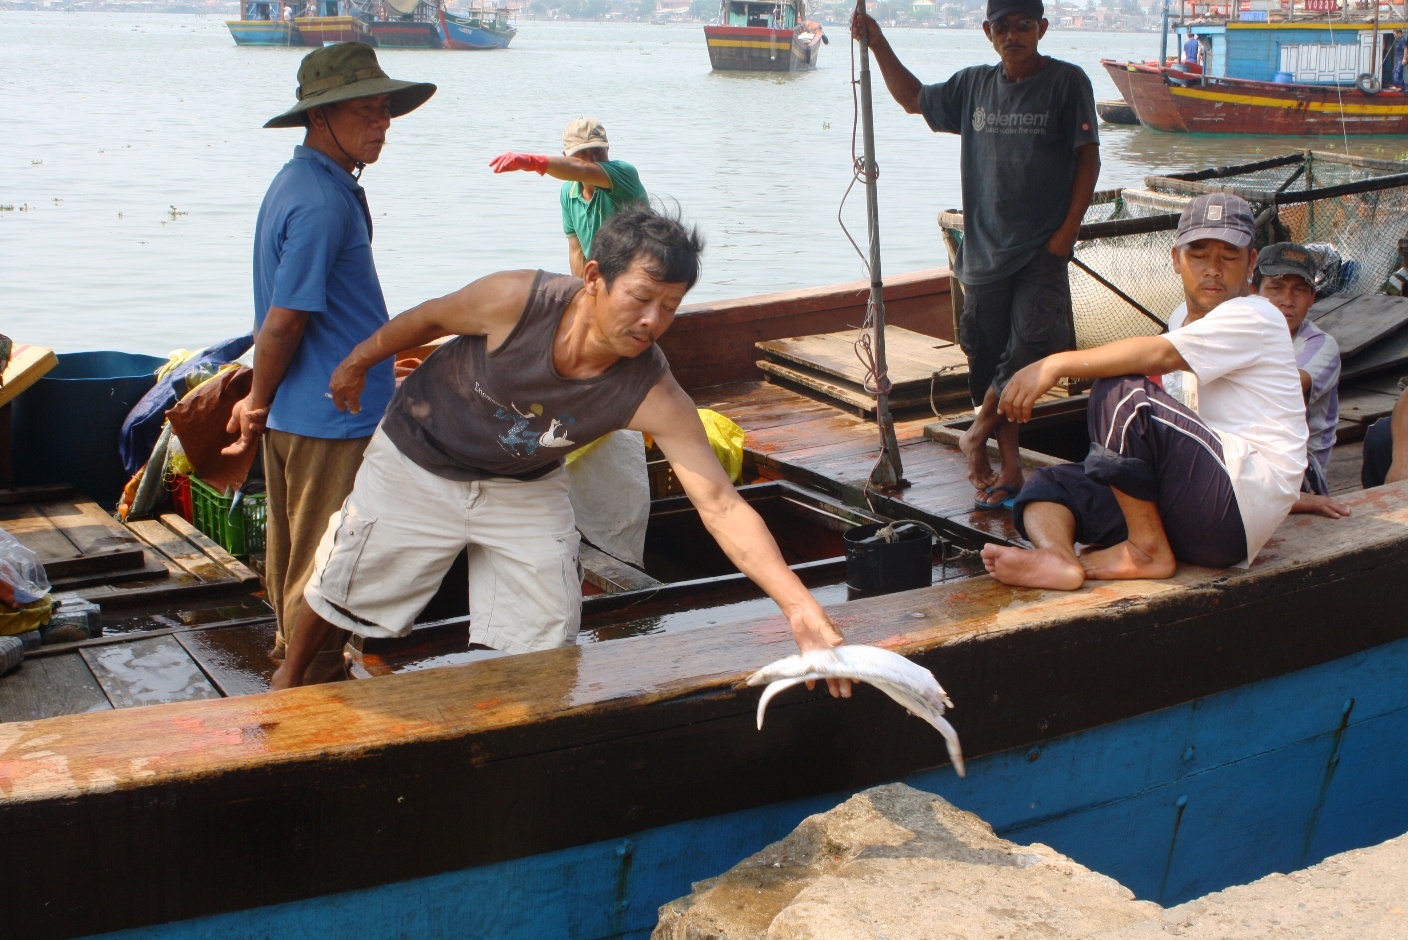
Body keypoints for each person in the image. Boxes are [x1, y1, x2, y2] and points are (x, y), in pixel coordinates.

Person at [269, 205, 849, 692]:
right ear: (594, 277)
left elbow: (720, 503)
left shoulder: (652, 391)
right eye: (641, 297)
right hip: (420, 453)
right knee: (346, 583)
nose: (652, 321)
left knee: (548, 629)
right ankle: (289, 679)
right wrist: (356, 362)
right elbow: (425, 319)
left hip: (524, 480)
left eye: (669, 307)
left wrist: (799, 606)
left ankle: (518, 720)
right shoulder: (515, 300)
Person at [225, 43, 435, 683]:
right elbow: (285, 320)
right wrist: (256, 400)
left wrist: (262, 400)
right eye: (365, 110)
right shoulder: (320, 201)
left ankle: (295, 659)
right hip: (331, 416)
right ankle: (307, 685)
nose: (383, 122)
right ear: (320, 117)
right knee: (333, 558)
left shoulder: (302, 182)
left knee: (297, 552)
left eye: (385, 108)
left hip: (301, 409)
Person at [980, 193, 1308, 591]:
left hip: (1233, 513)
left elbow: (1158, 355)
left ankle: (1145, 549)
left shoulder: (1256, 314)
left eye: (1229, 256)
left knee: (1121, 392)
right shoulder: (1180, 319)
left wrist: (1053, 364)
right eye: (1199, 255)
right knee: (1050, 485)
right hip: (1192, 507)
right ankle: (1058, 558)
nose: (1213, 269)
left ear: (1252, 262)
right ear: (1176, 258)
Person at [852, 0, 1100, 511]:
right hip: (984, 250)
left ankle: (976, 430)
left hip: (1042, 247)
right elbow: (913, 99)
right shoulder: (973, 86)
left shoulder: (1067, 82)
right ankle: (1008, 466)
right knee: (988, 360)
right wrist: (876, 42)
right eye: (1003, 27)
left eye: (1024, 26)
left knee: (1034, 345)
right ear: (988, 32)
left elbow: (1089, 160)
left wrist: (1067, 232)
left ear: (1041, 29)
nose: (1014, 35)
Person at [1250, 242, 1349, 518]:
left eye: (1299, 290)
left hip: (1300, 472)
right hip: (1249, 460)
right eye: (1276, 288)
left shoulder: (1321, 345)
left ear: (1312, 297)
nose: (1287, 300)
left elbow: (1284, 390)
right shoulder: (1240, 333)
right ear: (1253, 292)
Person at [489, 118, 647, 278]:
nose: (592, 159)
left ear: (608, 148)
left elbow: (583, 170)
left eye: (598, 151)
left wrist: (532, 162)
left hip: (640, 275)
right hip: (601, 278)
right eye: (582, 153)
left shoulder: (624, 173)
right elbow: (576, 251)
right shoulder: (568, 192)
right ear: (565, 156)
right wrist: (580, 288)